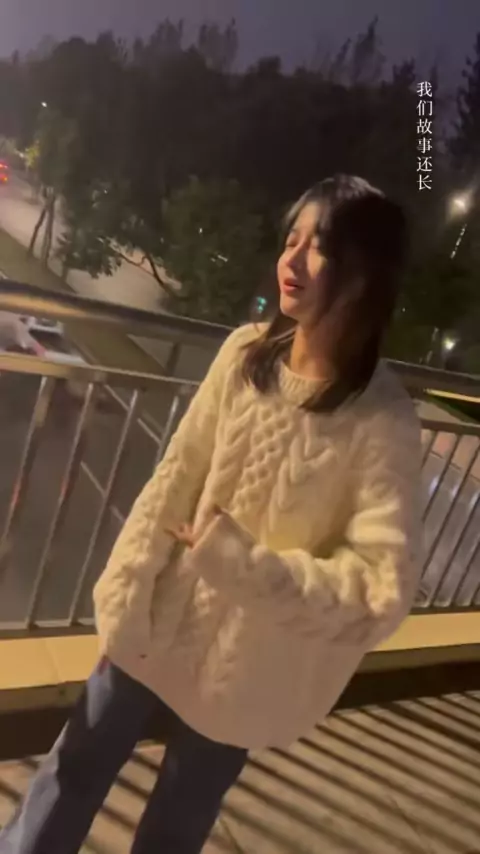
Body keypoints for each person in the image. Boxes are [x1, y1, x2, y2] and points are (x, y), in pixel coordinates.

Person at [0, 174, 422, 854]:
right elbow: (176, 475)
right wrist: (125, 590)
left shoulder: (383, 419)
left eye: (318, 246)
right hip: (156, 622)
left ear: (366, 273)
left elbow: (380, 593)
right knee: (70, 771)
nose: (291, 259)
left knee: (176, 825)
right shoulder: (245, 352)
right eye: (290, 239)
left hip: (245, 672)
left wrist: (246, 567)